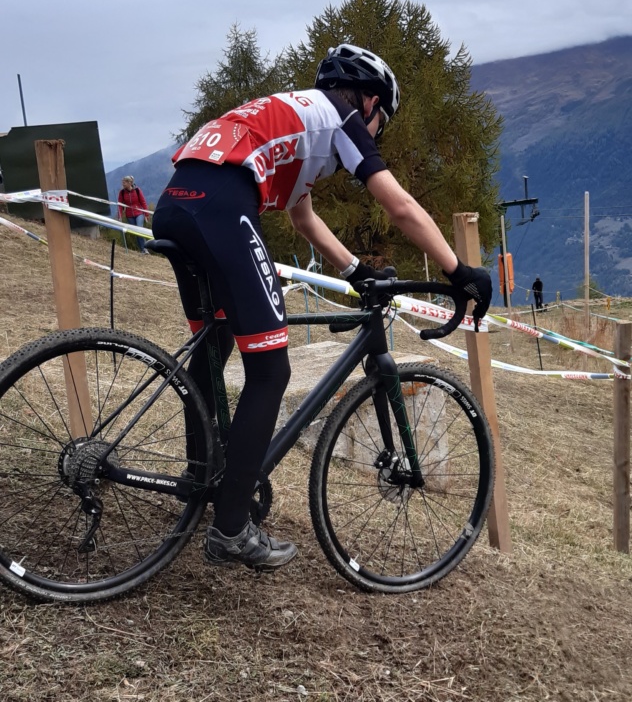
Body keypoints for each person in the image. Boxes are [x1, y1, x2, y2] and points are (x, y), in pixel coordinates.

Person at [152, 43, 492, 572]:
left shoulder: (295, 115)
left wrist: (354, 270)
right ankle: (231, 529)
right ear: (370, 102)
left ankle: (201, 483)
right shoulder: (341, 117)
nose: (376, 133)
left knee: (214, 345)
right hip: (220, 209)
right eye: (382, 122)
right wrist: (457, 270)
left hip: (176, 206)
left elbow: (303, 216)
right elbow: (399, 205)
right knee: (271, 369)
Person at [117, 175, 150, 254]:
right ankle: (143, 249)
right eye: (122, 182)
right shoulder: (122, 193)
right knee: (136, 232)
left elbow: (143, 202)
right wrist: (120, 216)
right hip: (129, 215)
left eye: (124, 183)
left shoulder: (137, 190)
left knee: (139, 229)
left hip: (139, 213)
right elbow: (120, 205)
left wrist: (146, 214)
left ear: (130, 183)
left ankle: (145, 249)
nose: (123, 184)